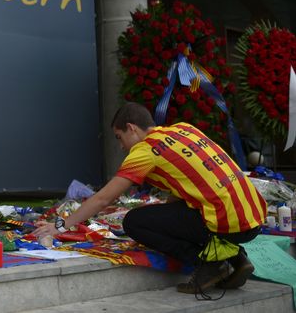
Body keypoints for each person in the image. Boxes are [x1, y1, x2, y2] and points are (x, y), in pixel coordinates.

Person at [33, 102, 267, 295]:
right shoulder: (182, 130)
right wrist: (167, 219)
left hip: (229, 223)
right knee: (164, 217)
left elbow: (103, 199)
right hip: (253, 216)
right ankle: (236, 258)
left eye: (119, 137)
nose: (121, 146)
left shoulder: (146, 150)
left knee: (134, 222)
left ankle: (209, 264)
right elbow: (185, 188)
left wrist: (59, 226)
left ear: (131, 128)